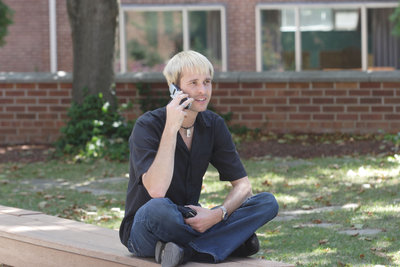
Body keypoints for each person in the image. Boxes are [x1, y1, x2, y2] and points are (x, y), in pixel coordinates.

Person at [119, 50, 279, 267]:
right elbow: (156, 190)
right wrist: (171, 127)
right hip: (148, 226)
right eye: (193, 83)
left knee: (267, 202)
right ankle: (223, 243)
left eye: (207, 82)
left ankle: (183, 251)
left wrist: (217, 215)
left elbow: (243, 187)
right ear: (174, 88)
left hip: (190, 220)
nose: (202, 91)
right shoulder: (148, 125)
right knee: (159, 208)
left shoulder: (213, 125)